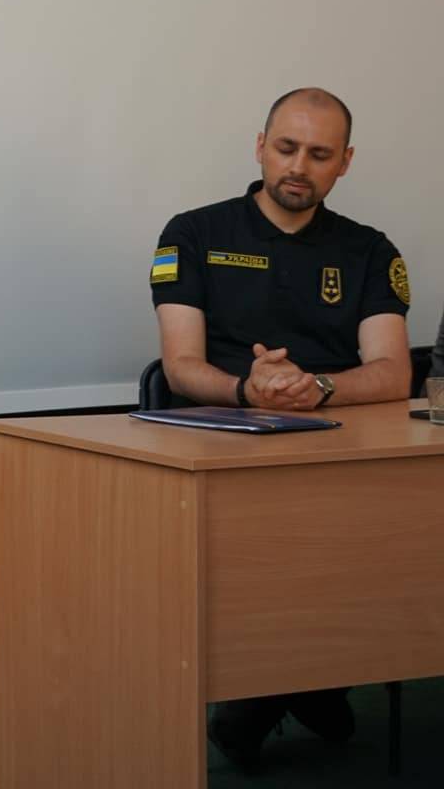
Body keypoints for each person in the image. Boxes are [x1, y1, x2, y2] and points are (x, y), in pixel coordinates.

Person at [150, 87, 412, 769]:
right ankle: (302, 684)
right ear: (260, 147)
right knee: (267, 553)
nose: (299, 166)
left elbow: (393, 372)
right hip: (217, 446)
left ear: (344, 162)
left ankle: (295, 686)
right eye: (287, 148)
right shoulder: (192, 234)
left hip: (336, 451)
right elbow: (180, 367)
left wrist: (316, 388)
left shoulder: (369, 250)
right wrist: (249, 389)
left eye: (320, 154)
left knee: (387, 544)